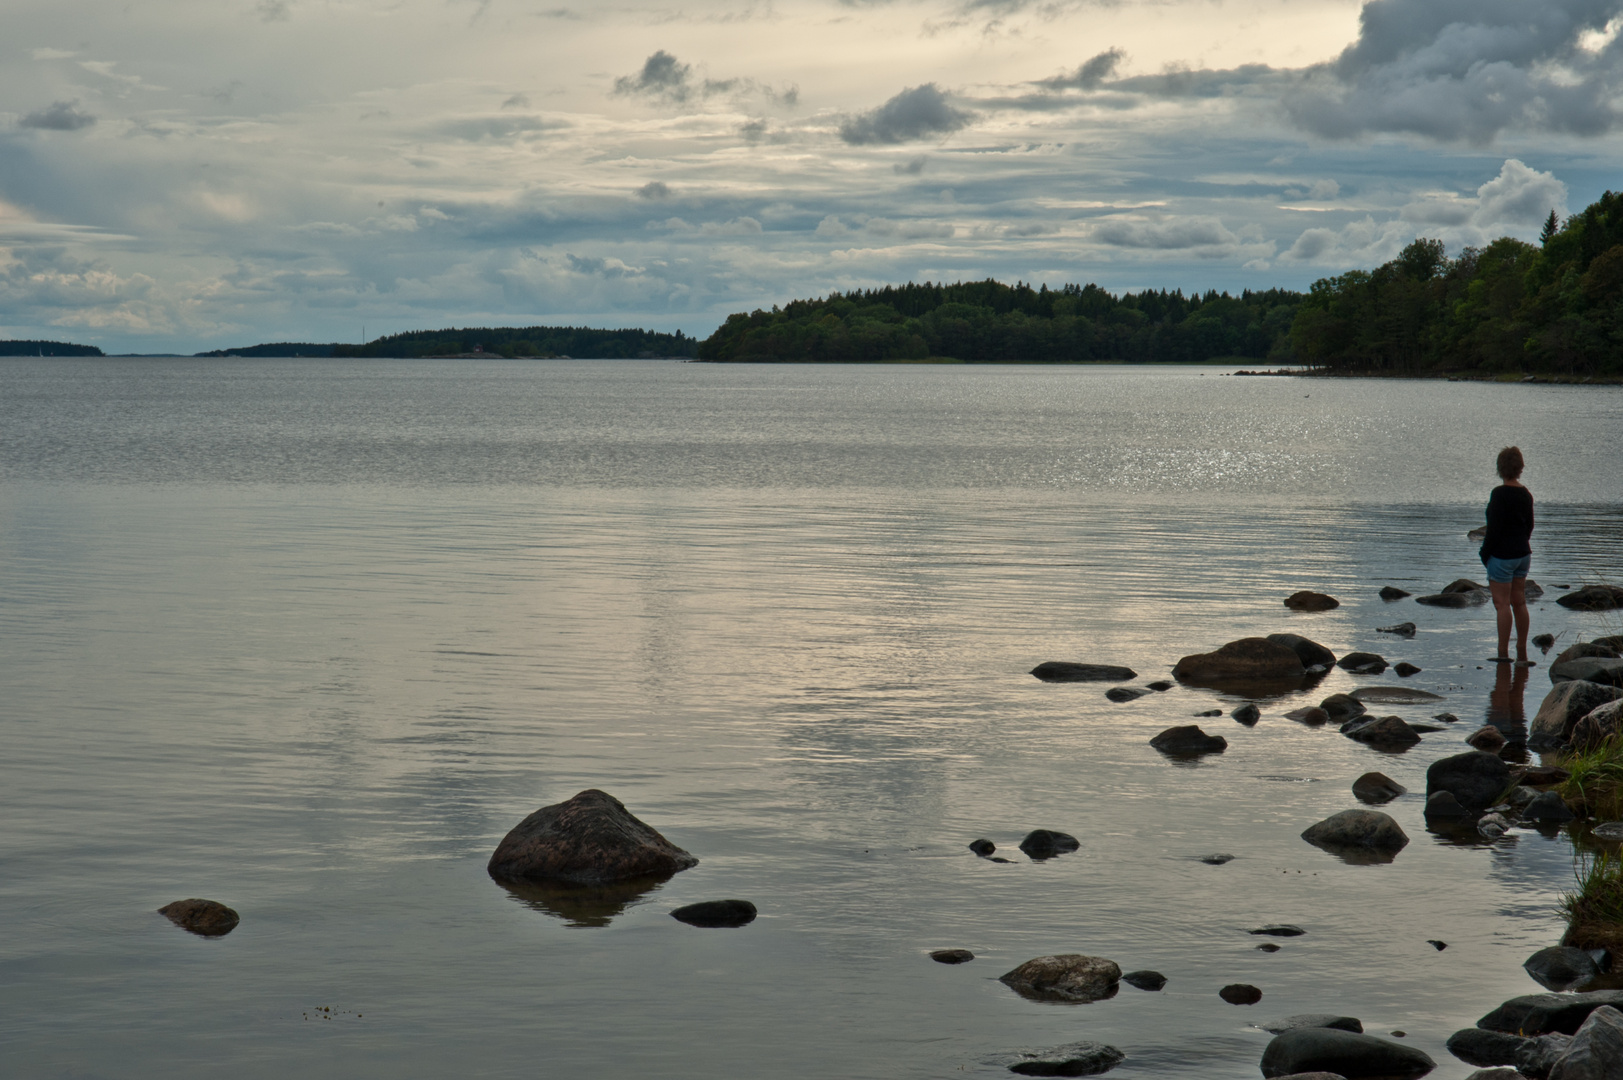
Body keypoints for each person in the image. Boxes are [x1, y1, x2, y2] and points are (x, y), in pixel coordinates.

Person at [1481, 446, 1534, 664]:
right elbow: (1529, 525)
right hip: (1523, 554)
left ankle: (1503, 652)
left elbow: (1494, 529)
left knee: (1501, 604)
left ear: (1500, 469)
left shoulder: (1499, 494)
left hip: (1502, 556)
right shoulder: (1525, 494)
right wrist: (1522, 543)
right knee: (1519, 602)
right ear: (1520, 468)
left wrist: (1485, 554)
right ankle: (1521, 648)